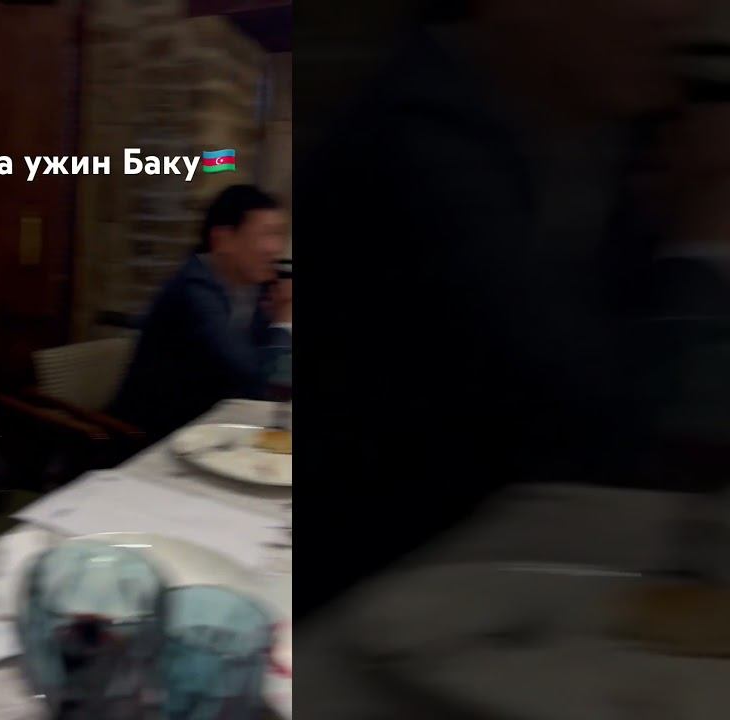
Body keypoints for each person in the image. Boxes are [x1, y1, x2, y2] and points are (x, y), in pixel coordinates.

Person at [297, 0, 726, 610]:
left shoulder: (601, 141)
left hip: (489, 593)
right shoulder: (414, 141)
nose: (677, 13)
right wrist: (704, 232)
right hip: (360, 613)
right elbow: (605, 432)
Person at [110, 185, 291, 437]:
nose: (276, 248)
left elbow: (267, 372)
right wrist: (283, 321)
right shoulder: (194, 291)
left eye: (279, 234)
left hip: (212, 424)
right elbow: (258, 381)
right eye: (266, 234)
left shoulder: (255, 285)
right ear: (223, 240)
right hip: (151, 436)